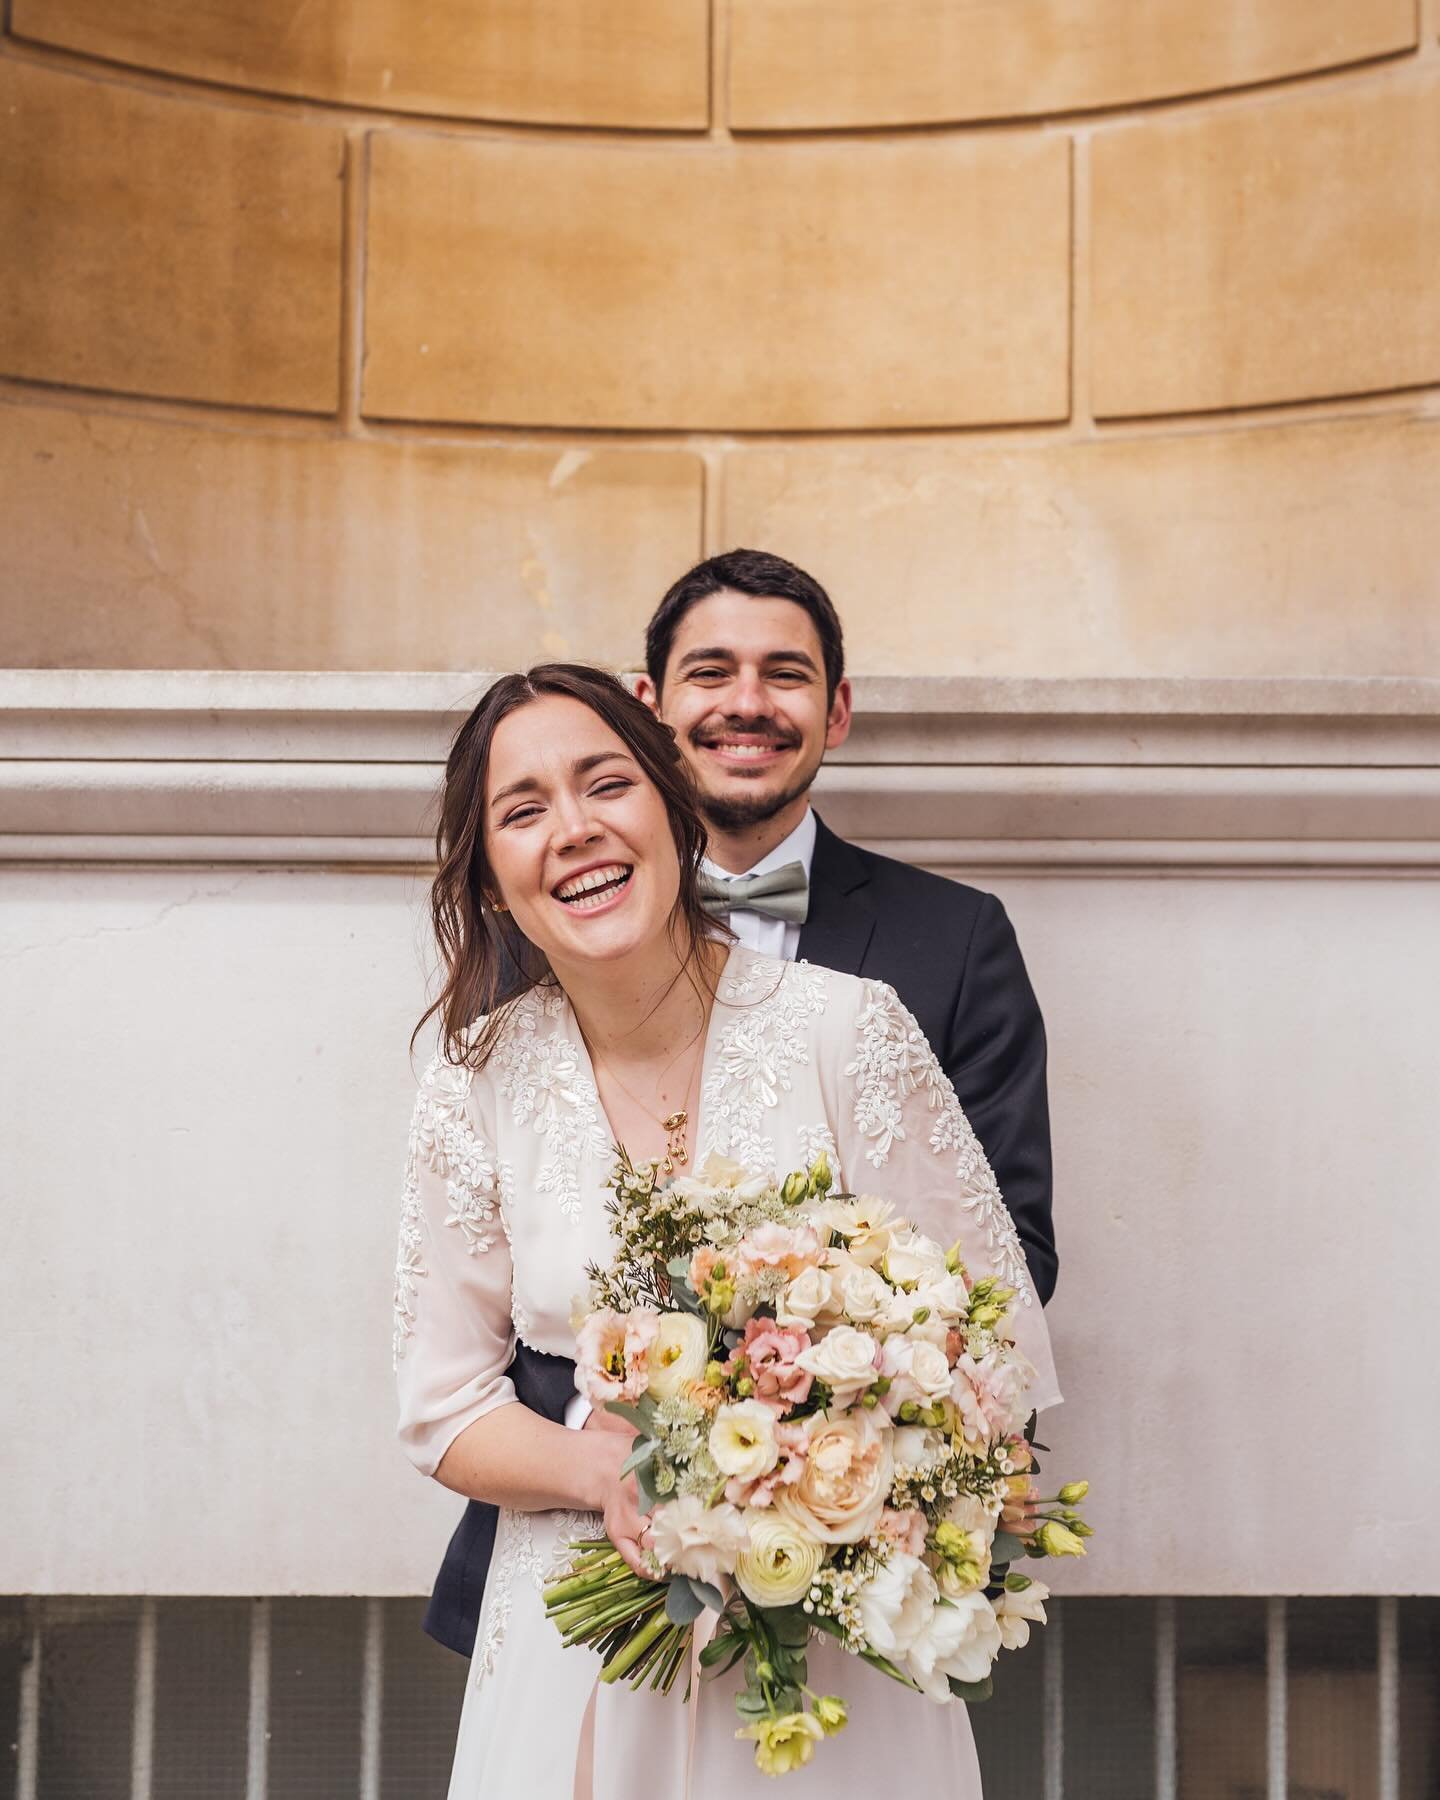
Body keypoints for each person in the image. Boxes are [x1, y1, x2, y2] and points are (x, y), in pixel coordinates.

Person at [395, 662, 1060, 1796]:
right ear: (494, 883)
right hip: (577, 1634)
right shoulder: (475, 1082)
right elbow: (442, 1403)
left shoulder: (848, 1030)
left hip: (832, 1636)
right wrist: (601, 1474)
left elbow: (991, 1347)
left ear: (670, 809)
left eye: (606, 784)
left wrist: (828, 1462)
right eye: (523, 809)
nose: (573, 829)